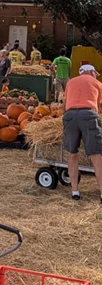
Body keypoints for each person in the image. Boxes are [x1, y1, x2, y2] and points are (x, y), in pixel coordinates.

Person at [62, 64, 102, 201]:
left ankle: (75, 192)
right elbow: (98, 107)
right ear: (91, 72)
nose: (96, 75)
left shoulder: (70, 82)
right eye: (95, 73)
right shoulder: (97, 83)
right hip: (88, 115)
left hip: (70, 116)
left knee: (73, 153)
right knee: (96, 154)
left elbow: (65, 103)